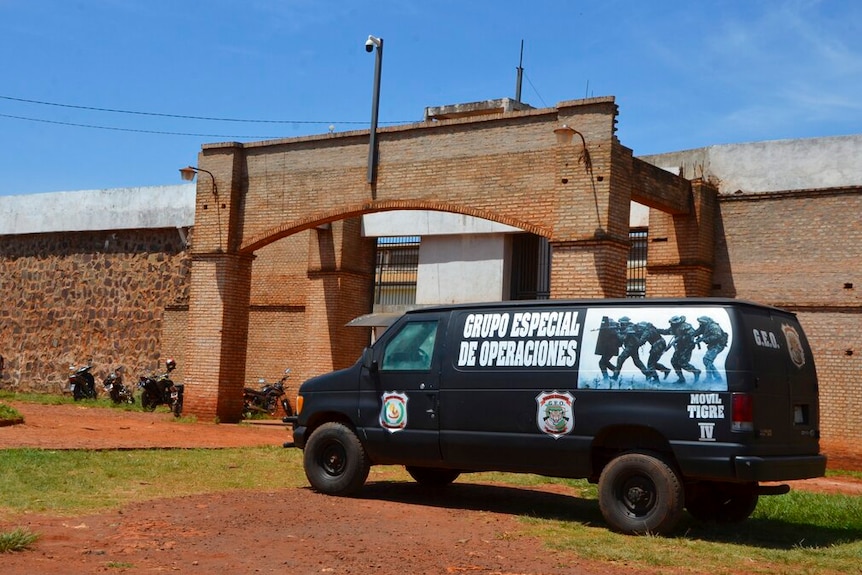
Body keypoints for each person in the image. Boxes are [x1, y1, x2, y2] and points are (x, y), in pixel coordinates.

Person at [659, 316, 701, 384]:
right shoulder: (674, 327)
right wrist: (657, 330)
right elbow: (666, 331)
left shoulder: (686, 326)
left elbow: (692, 335)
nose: (671, 324)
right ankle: (681, 379)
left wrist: (683, 338)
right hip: (679, 347)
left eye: (673, 323)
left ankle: (696, 371)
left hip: (687, 347)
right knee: (674, 361)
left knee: (682, 362)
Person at [693, 316, 728, 382]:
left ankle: (711, 378)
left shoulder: (713, 326)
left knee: (707, 360)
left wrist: (704, 339)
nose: (700, 323)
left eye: (701, 322)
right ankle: (716, 377)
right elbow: (696, 332)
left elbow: (717, 336)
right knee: (707, 361)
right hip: (713, 345)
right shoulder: (704, 326)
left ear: (705, 322)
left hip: (718, 345)